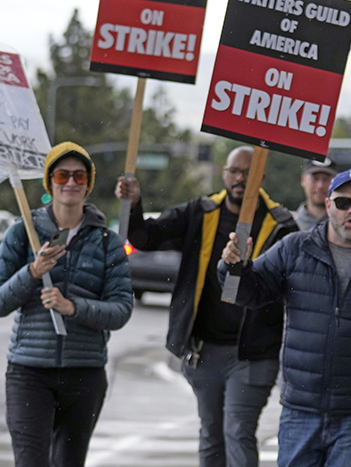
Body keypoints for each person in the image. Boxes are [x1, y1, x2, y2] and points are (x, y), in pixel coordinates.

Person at [115, 145, 298, 467]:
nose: (240, 178)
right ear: (224, 174)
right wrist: (132, 203)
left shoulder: (282, 225)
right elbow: (145, 237)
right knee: (211, 431)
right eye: (234, 171)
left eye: (248, 172)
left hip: (253, 354)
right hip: (205, 351)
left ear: (261, 177)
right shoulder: (199, 212)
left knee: (238, 430)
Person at [219, 169, 351, 467]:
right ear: (328, 205)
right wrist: (234, 267)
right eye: (343, 202)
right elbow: (249, 294)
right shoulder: (294, 248)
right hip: (301, 410)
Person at [0, 142, 133, 466]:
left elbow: (121, 310)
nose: (70, 183)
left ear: (88, 183)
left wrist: (73, 307)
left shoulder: (107, 241)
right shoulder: (22, 232)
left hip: (84, 374)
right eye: (62, 175)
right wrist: (32, 272)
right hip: (30, 372)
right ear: (50, 183)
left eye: (79, 176)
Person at [295, 157, 337, 231]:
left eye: (326, 179)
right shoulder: (290, 225)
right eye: (315, 178)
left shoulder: (341, 226)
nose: (320, 186)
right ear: (303, 180)